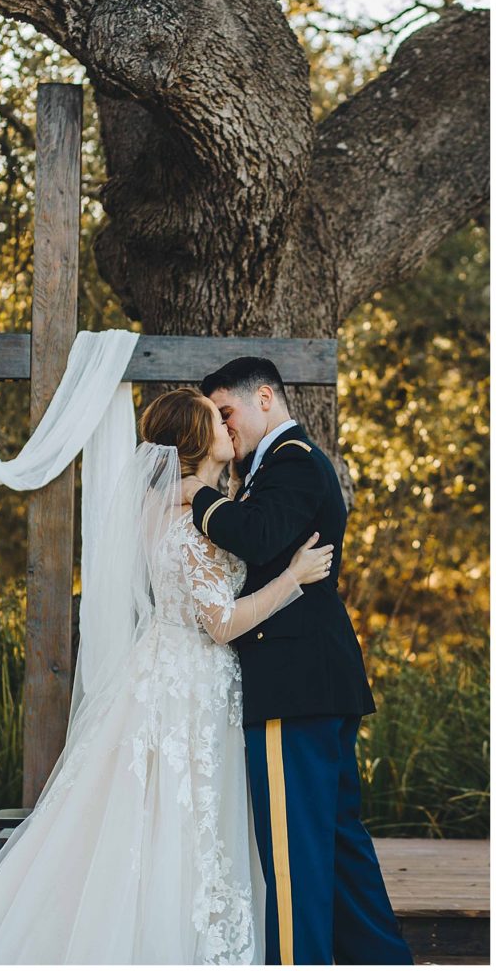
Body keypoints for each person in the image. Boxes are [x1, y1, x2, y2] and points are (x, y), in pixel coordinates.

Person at [0, 387, 333, 966]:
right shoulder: (190, 524)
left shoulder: (171, 507)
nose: (228, 425)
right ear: (198, 441)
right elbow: (222, 624)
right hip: (192, 686)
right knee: (185, 825)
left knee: (163, 826)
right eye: (215, 419)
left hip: (167, 674)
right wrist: (292, 578)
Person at [182, 356, 414, 965]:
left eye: (227, 413)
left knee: (294, 858)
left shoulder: (293, 461)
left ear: (265, 398)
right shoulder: (271, 467)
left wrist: (197, 495)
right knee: (335, 848)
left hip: (295, 685)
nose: (225, 428)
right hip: (315, 681)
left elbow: (257, 537)